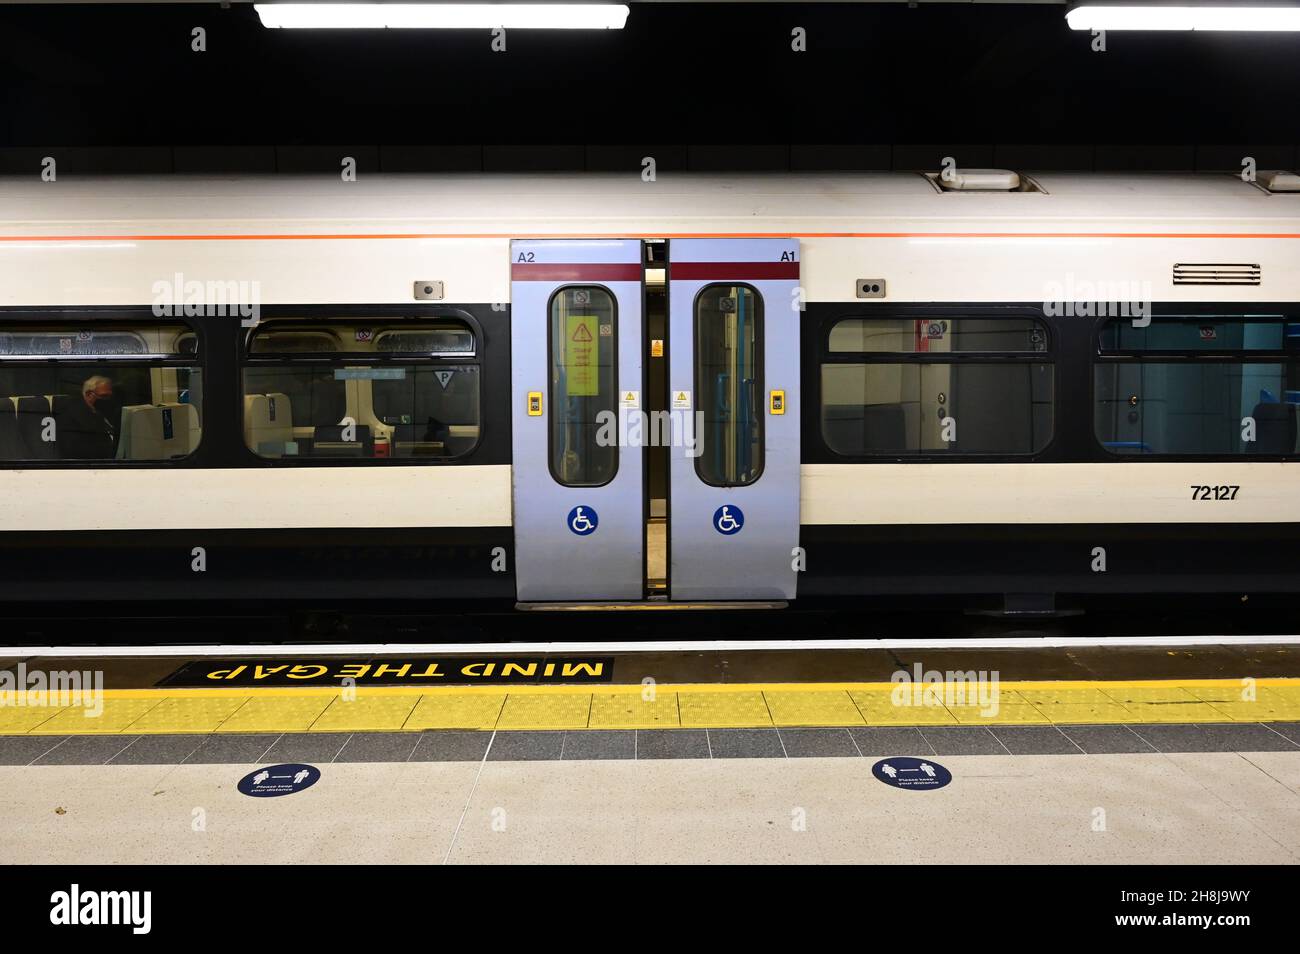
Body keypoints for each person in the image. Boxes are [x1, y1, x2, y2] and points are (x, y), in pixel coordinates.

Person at [58, 375, 119, 459]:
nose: (108, 400)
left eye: (110, 396)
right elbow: (75, 450)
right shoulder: (73, 417)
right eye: (104, 396)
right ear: (89, 394)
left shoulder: (105, 412)